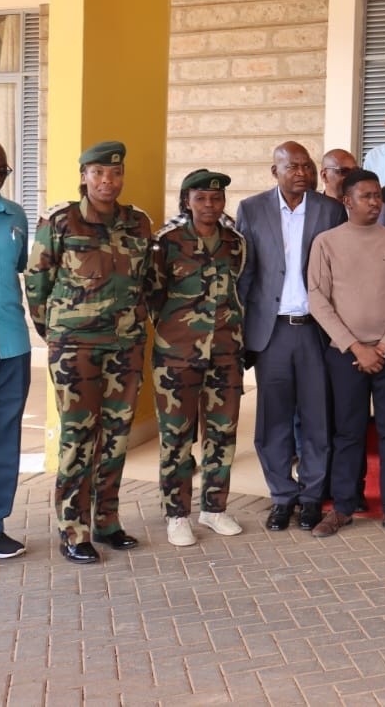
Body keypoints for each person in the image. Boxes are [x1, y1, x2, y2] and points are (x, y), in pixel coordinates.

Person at [24, 141, 153, 564]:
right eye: (98, 173)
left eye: (115, 173)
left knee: (116, 437)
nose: (107, 181)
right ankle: (72, 529)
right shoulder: (61, 221)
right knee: (79, 437)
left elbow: (147, 281)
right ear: (84, 176)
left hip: (125, 346)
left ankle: (106, 521)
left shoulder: (138, 223)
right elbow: (37, 283)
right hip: (75, 347)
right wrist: (54, 333)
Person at [236, 142, 346, 533]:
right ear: (275, 171)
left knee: (317, 418)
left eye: (307, 166)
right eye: (293, 167)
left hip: (317, 329)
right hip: (272, 331)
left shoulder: (330, 210)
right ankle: (282, 496)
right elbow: (245, 275)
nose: (302, 173)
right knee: (273, 420)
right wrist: (242, 334)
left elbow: (340, 274)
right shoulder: (251, 209)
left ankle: (312, 497)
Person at [307, 169, 385, 540]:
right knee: (348, 431)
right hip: (346, 354)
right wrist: (356, 346)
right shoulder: (326, 242)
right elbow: (317, 300)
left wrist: (383, 346)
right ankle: (342, 507)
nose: (375, 202)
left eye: (377, 196)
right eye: (366, 196)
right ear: (347, 201)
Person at [148, 170, 248, 547]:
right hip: (177, 356)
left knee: (222, 433)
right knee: (176, 436)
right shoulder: (167, 242)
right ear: (187, 200)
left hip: (225, 352)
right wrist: (177, 332)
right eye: (201, 198)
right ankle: (176, 514)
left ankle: (214, 508)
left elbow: (239, 289)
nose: (210, 205)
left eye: (216, 198)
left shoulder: (235, 243)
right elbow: (153, 295)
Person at [0, 140, 29, 559]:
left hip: (11, 345)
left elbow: (22, 270)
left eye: (1, 171)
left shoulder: (16, 216)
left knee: (4, 438)